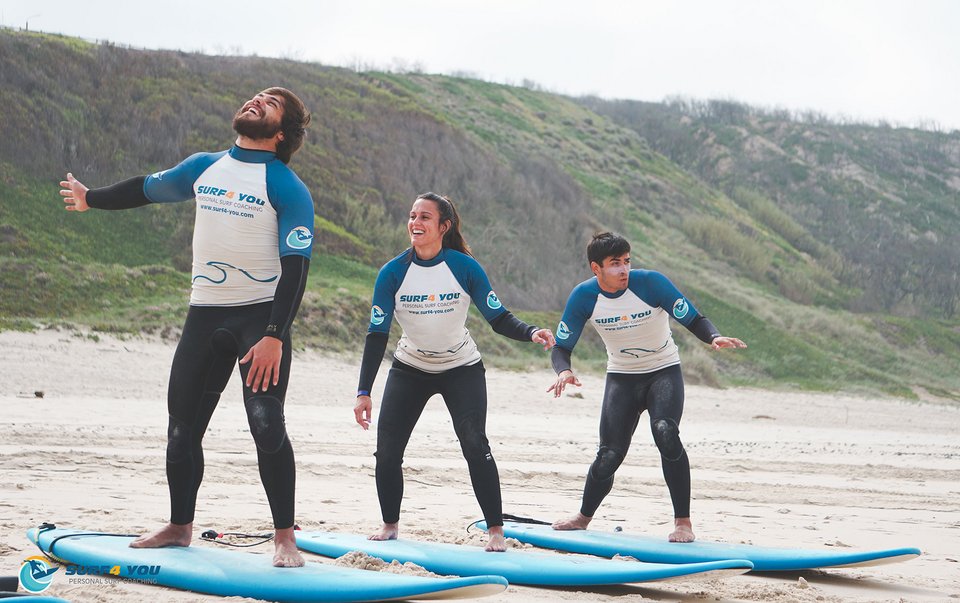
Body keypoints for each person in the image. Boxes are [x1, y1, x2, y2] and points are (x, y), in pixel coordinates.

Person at [58, 88, 315, 567]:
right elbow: (148, 188)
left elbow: (297, 267)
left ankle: (285, 537)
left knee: (266, 423)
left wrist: (275, 335)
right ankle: (179, 526)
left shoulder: (286, 186)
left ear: (281, 133)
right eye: (256, 96)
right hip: (206, 314)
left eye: (270, 103)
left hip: (259, 317)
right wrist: (91, 198)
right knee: (181, 430)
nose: (256, 101)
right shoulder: (204, 166)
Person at [353, 192, 555, 552]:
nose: (415, 222)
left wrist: (530, 332)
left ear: (443, 227)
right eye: (412, 216)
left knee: (475, 445)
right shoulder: (393, 273)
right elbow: (376, 333)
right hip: (410, 367)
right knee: (387, 452)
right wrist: (363, 391)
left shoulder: (464, 268)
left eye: (425, 217)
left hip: (461, 367)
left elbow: (498, 318)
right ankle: (389, 525)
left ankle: (496, 529)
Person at [548, 232, 746, 542]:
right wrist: (564, 371)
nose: (624, 270)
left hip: (662, 371)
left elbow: (693, 318)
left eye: (627, 261)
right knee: (609, 456)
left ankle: (683, 522)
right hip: (621, 377)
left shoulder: (651, 283)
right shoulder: (584, 296)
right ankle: (583, 517)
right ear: (595, 268)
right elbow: (562, 347)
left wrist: (713, 337)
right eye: (615, 264)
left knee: (665, 432)